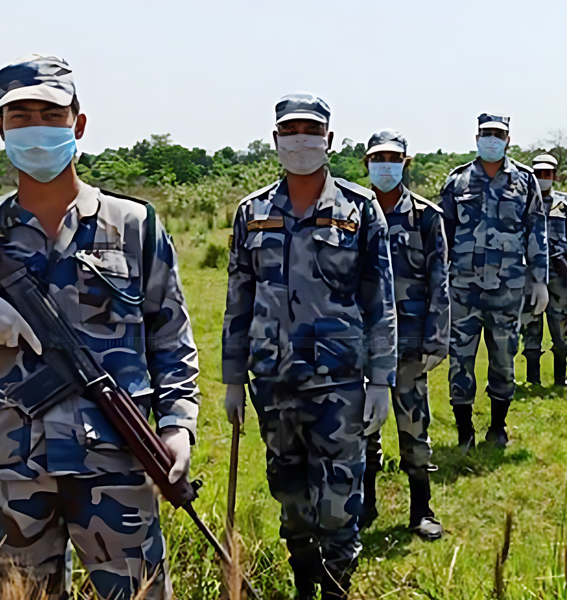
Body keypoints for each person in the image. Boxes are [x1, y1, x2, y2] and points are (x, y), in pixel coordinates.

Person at [0, 55, 199, 599]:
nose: (35, 125)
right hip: (17, 473)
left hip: (120, 465)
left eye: (50, 112)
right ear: (0, 127)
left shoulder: (133, 225)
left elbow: (171, 338)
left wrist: (178, 425)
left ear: (78, 124)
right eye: (20, 115)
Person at [220, 93, 397, 599]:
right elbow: (238, 299)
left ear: (330, 140)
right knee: (291, 497)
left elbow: (378, 300)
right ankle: (303, 584)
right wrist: (233, 379)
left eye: (311, 129)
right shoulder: (251, 212)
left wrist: (381, 379)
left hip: (339, 383)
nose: (301, 139)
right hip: (273, 383)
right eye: (291, 130)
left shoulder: (359, 210)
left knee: (339, 504)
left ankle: (338, 588)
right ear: (275, 140)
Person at [438, 113, 547, 450]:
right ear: (476, 137)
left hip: (507, 289)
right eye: (486, 133)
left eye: (498, 134)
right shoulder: (457, 181)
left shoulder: (525, 181)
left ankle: (497, 428)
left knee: (503, 359)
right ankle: (464, 432)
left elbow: (536, 230)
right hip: (463, 290)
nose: (492, 139)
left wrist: (539, 281)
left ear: (508, 140)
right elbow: (443, 235)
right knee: (461, 360)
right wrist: (438, 283)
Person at [359, 130, 448, 540]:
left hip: (409, 344)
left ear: (406, 163)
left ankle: (421, 510)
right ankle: (366, 504)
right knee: (363, 429)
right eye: (378, 158)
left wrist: (436, 339)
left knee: (414, 430)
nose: (386, 165)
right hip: (360, 343)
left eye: (394, 158)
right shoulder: (350, 212)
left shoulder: (427, 217)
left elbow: (439, 283)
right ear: (366, 164)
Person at [519, 153, 567, 387]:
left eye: (547, 174)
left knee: (560, 325)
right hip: (531, 274)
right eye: (538, 174)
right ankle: (533, 379)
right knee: (531, 324)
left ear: (555, 175)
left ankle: (560, 378)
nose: (543, 178)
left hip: (561, 274)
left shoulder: (566, 202)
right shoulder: (522, 202)